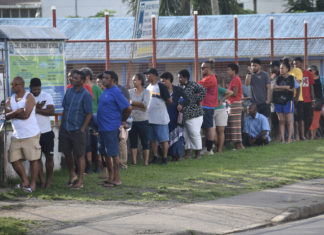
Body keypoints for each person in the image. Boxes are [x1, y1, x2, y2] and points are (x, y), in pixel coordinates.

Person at [5, 76, 41, 193]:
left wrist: (13, 114)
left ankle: (33, 184)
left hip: (31, 134)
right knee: (13, 159)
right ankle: (25, 181)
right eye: (12, 84)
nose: (12, 86)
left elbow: (26, 115)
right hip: (17, 135)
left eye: (14, 84)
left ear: (21, 85)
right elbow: (5, 116)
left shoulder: (29, 97)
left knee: (33, 159)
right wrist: (16, 112)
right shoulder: (10, 100)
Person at [59, 70, 93, 189]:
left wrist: (82, 129)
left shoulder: (86, 95)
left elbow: (89, 114)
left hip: (78, 129)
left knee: (79, 156)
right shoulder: (68, 92)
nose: (73, 79)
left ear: (82, 81)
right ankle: (72, 175)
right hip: (66, 128)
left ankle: (80, 181)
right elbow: (64, 109)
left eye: (76, 78)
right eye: (72, 77)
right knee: (67, 153)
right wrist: (61, 125)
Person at [97, 70, 131, 187]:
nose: (103, 80)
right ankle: (110, 177)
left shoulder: (116, 91)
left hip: (111, 127)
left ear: (113, 80)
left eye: (106, 78)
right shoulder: (106, 90)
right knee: (105, 153)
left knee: (113, 154)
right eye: (103, 78)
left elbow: (128, 107)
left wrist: (122, 120)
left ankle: (117, 179)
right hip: (102, 127)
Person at [29, 78, 55, 188]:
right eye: (34, 89)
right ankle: (42, 181)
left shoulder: (46, 96)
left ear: (41, 87)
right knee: (36, 159)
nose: (36, 91)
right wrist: (40, 110)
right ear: (30, 88)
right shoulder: (27, 97)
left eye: (38, 89)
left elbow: (51, 111)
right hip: (33, 133)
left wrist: (35, 110)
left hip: (46, 132)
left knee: (49, 157)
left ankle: (48, 180)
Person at [144, 68, 172, 164]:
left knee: (163, 139)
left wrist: (161, 107)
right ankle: (155, 157)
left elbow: (169, 101)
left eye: (148, 74)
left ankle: (164, 158)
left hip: (161, 118)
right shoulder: (147, 87)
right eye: (146, 75)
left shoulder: (161, 86)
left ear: (155, 76)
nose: (146, 76)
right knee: (152, 139)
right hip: (150, 118)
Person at [160, 72, 189, 161]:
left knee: (177, 136)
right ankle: (168, 155)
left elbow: (186, 100)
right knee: (166, 136)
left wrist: (181, 104)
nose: (163, 83)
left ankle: (178, 155)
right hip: (164, 117)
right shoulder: (161, 91)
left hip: (176, 117)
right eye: (161, 82)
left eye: (164, 81)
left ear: (169, 80)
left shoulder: (178, 89)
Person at [178, 69, 206, 159]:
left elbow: (203, 90)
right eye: (178, 78)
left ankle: (198, 153)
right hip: (184, 115)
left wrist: (198, 100)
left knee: (194, 133)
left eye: (181, 78)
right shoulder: (180, 87)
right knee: (186, 134)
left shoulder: (193, 85)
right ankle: (187, 153)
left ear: (186, 77)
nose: (179, 79)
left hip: (194, 114)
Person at [81, 67, 102, 174]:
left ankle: (98, 165)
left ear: (87, 77)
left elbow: (101, 105)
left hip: (95, 122)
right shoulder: (80, 89)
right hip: (84, 122)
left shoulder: (97, 89)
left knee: (97, 145)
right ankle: (88, 166)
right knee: (87, 146)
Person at [129, 73, 150, 166]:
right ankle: (134, 162)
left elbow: (145, 105)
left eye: (135, 80)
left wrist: (132, 103)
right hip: (132, 121)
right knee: (133, 142)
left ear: (141, 81)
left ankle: (146, 162)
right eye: (133, 80)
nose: (133, 82)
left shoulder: (146, 92)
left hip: (143, 120)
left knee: (145, 142)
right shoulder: (130, 92)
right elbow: (128, 105)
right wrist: (138, 106)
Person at [198, 61, 218, 155]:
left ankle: (209, 149)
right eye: (201, 68)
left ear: (208, 68)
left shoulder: (209, 79)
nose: (201, 70)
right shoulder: (208, 78)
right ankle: (208, 148)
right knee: (206, 127)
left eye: (203, 68)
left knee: (208, 127)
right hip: (207, 105)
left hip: (207, 106)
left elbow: (197, 86)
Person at [273, 59, 295, 143]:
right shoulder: (278, 78)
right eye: (280, 68)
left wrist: (280, 87)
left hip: (288, 101)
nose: (281, 70)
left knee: (289, 121)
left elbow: (291, 88)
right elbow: (275, 88)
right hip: (278, 101)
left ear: (287, 69)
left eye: (282, 68)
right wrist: (285, 87)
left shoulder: (291, 78)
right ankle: (282, 139)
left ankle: (289, 139)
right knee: (281, 121)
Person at [293, 57, 315, 138]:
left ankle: (306, 133)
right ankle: (299, 135)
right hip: (298, 99)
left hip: (307, 99)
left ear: (301, 63)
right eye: (294, 64)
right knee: (299, 118)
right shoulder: (293, 74)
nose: (295, 65)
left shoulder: (308, 73)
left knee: (309, 117)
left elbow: (311, 86)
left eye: (297, 63)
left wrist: (313, 99)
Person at [226, 63, 244, 150]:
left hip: (235, 104)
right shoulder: (234, 79)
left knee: (235, 125)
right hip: (233, 104)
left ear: (234, 71)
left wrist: (226, 92)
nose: (227, 71)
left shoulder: (235, 79)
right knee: (234, 125)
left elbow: (235, 93)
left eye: (229, 70)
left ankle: (239, 145)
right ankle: (238, 145)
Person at [214, 85, 233, 152]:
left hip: (220, 110)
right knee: (212, 134)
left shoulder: (218, 88)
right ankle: (217, 146)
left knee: (220, 131)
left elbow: (230, 92)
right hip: (209, 110)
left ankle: (220, 150)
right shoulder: (204, 87)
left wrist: (222, 100)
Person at [116, 82, 131, 169]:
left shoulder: (121, 89)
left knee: (122, 141)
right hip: (116, 120)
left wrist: (123, 120)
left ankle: (122, 164)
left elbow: (128, 106)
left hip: (123, 120)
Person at [289, 59, 305, 141]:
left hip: (299, 98)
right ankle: (296, 136)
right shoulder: (286, 72)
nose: (294, 65)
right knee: (294, 118)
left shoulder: (297, 70)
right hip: (290, 98)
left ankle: (302, 135)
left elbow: (298, 82)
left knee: (300, 118)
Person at [308, 65, 323, 139]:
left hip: (319, 100)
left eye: (310, 70)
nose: (309, 72)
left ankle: (313, 135)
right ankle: (312, 135)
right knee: (312, 118)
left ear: (315, 71)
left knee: (316, 118)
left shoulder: (321, 79)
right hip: (311, 100)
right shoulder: (309, 79)